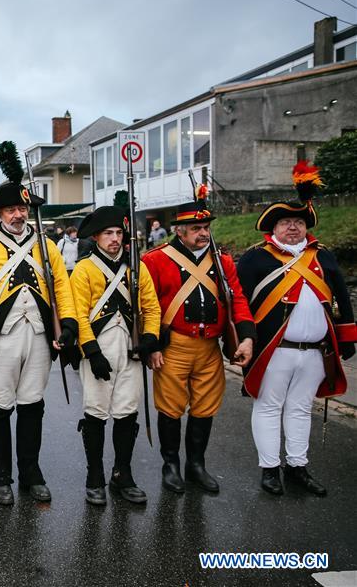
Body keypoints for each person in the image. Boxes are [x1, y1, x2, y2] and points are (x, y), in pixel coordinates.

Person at [0, 141, 78, 506]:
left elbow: (61, 286)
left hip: (41, 335)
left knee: (32, 404)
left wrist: (71, 324)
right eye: (11, 208)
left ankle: (31, 472)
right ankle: (0, 477)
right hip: (2, 339)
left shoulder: (46, 244)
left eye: (22, 207)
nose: (17, 214)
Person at [237, 160, 355, 496]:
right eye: (286, 222)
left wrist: (346, 338)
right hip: (275, 350)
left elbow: (342, 299)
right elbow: (240, 303)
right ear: (273, 228)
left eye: (298, 222)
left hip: (315, 352)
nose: (293, 228)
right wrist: (243, 340)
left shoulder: (323, 256)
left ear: (307, 226)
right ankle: (270, 469)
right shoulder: (256, 258)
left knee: (302, 408)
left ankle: (298, 466)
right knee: (269, 407)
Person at [142, 197, 255, 494]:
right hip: (174, 346)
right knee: (170, 407)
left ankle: (196, 465)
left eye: (205, 227)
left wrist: (246, 337)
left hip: (209, 347)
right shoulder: (154, 260)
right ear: (179, 231)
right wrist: (150, 344)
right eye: (195, 228)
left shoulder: (223, 261)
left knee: (205, 407)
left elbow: (238, 300)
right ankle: (171, 465)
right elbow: (146, 306)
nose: (203, 233)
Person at [70, 205, 161, 505]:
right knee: (96, 411)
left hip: (130, 349)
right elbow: (78, 314)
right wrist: (92, 351)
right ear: (96, 236)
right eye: (108, 233)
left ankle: (122, 474)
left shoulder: (137, 267)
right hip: (98, 348)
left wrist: (150, 337)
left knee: (127, 411)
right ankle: (94, 475)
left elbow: (151, 306)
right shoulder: (84, 269)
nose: (114, 239)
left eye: (119, 233)